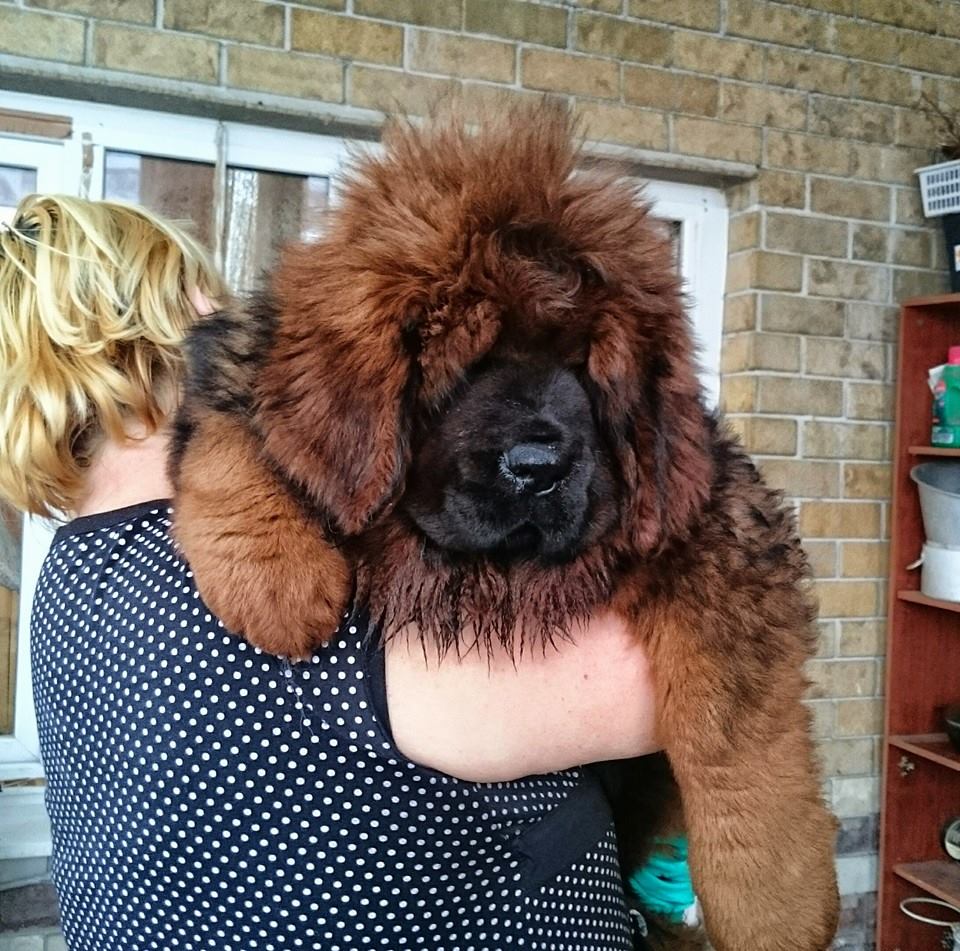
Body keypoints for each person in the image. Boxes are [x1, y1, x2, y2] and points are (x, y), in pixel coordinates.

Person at [0, 194, 666, 951]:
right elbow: (659, 689)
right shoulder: (268, 563)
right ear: (186, 320)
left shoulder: (72, 570)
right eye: (217, 301)